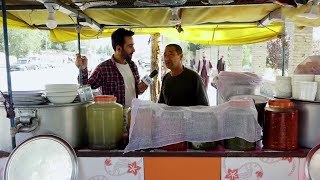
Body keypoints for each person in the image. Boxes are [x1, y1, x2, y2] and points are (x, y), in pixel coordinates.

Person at [75, 28, 148, 108]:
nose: (134, 50)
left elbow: (136, 91)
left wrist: (141, 89)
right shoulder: (103, 68)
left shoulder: (133, 66)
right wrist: (83, 69)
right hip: (112, 117)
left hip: (132, 115)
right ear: (118, 49)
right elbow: (85, 89)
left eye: (133, 45)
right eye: (130, 46)